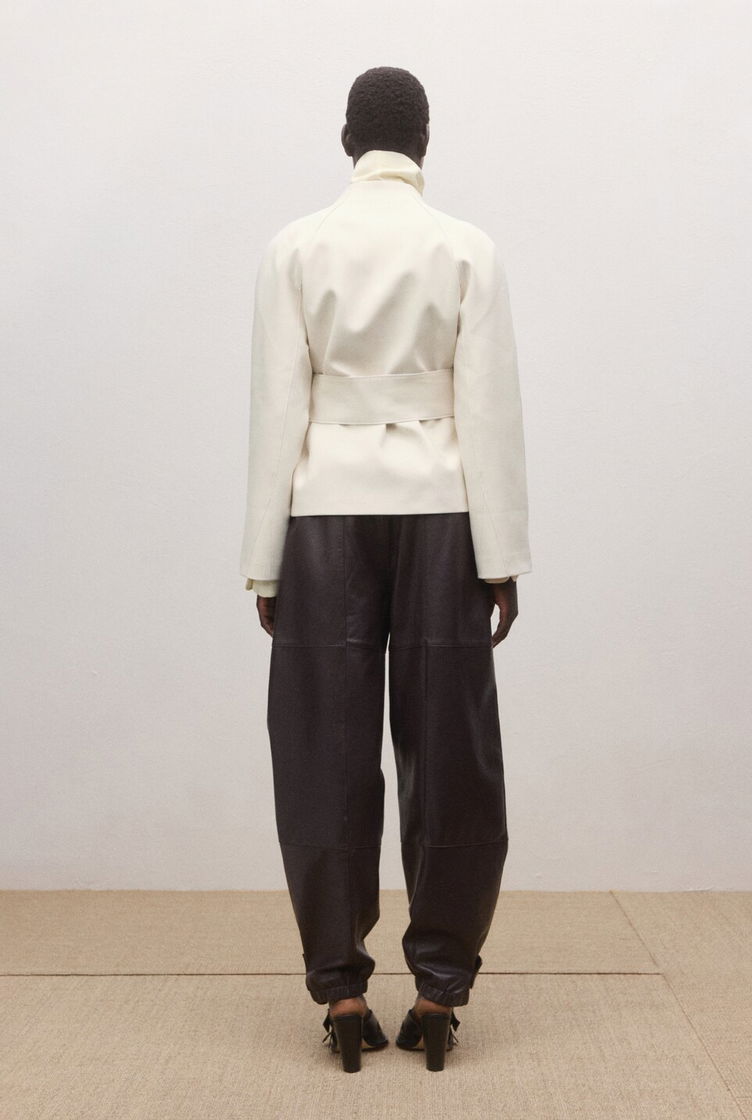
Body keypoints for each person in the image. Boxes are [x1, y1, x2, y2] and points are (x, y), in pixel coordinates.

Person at [239, 65, 531, 1072]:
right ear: (423, 141)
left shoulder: (295, 248)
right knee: (451, 748)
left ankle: (341, 988)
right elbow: (487, 406)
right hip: (443, 510)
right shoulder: (465, 248)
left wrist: (264, 562)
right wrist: (501, 556)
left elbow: (278, 407)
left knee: (321, 747)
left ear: (346, 140)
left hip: (323, 511)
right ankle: (440, 987)